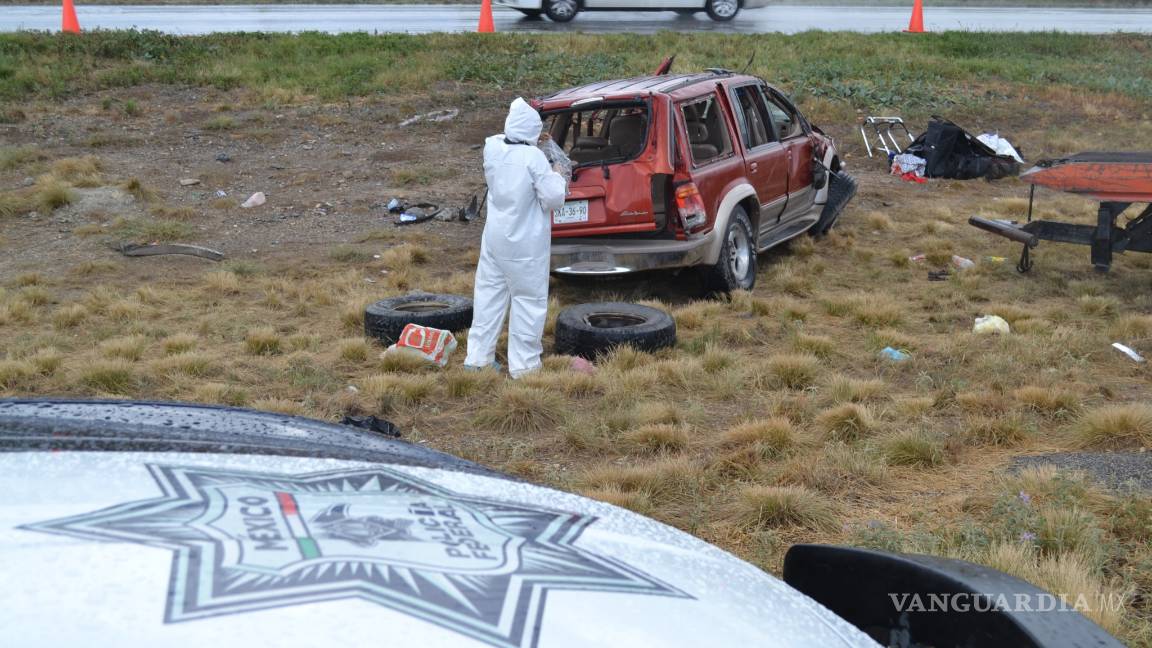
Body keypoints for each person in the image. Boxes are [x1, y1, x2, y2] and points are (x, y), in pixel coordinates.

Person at [463, 97, 567, 379]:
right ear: (531, 132)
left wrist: (534, 137)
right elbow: (554, 198)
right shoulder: (533, 158)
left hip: (495, 240)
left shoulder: (493, 148)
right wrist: (557, 173)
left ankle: (477, 359)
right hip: (525, 244)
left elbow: (506, 137)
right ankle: (524, 366)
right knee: (527, 302)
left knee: (488, 297)